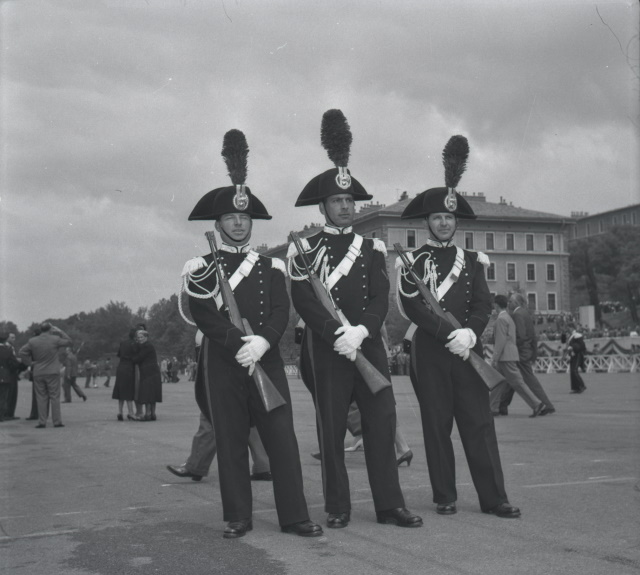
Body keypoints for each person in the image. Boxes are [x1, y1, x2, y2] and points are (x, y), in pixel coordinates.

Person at [180, 128, 321, 539]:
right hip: (225, 363)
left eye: (244, 218)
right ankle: (238, 516)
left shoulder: (271, 266)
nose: (239, 224)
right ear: (218, 223)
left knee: (282, 441)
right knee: (230, 440)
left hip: (267, 360)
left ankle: (294, 516)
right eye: (231, 218)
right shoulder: (200, 267)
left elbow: (281, 311)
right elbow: (203, 314)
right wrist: (237, 343)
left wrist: (262, 342)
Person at [288, 110, 422, 530]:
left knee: (381, 423)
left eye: (349, 201)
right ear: (323, 207)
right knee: (331, 430)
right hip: (327, 349)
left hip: (368, 346)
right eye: (337, 202)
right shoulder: (304, 249)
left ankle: (390, 505)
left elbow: (381, 296)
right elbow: (303, 300)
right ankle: (338, 506)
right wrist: (336, 334)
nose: (345, 207)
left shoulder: (371, 248)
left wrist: (362, 330)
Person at [397, 135, 520, 518]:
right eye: (437, 218)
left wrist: (470, 333)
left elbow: (483, 303)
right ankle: (444, 496)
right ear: (427, 222)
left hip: (468, 350)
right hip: (431, 352)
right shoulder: (412, 261)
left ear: (456, 222)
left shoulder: (472, 260)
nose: (444, 223)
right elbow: (412, 306)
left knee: (479, 424)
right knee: (437, 426)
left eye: (449, 218)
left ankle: (494, 498)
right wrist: (446, 334)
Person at [167, 331, 272, 482]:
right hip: (241, 366)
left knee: (210, 416)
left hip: (226, 368)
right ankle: (264, 465)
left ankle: (195, 465)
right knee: (251, 420)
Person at [498, 293, 555, 416]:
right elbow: (532, 335)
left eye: (511, 301)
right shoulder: (524, 313)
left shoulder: (517, 314)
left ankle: (546, 405)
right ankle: (502, 405)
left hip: (520, 353)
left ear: (516, 303)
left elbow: (521, 335)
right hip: (525, 351)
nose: (509, 303)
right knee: (512, 379)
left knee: (527, 380)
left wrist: (511, 344)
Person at [18, 322, 72, 428]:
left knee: (41, 397)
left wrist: (30, 363)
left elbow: (22, 352)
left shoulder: (32, 341)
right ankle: (57, 421)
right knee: (54, 397)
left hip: (38, 372)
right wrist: (60, 331)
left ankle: (42, 421)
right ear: (50, 330)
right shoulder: (55, 339)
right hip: (52, 371)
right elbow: (69, 342)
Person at [131, 329, 162, 421]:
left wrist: (130, 358)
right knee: (152, 393)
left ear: (146, 337)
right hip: (152, 371)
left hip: (148, 372)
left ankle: (148, 414)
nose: (139, 339)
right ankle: (152, 414)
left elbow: (138, 358)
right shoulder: (148, 345)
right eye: (138, 337)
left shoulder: (146, 346)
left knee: (147, 393)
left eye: (141, 337)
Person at [112, 328, 138, 421]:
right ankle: (131, 412)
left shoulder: (123, 343)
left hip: (121, 367)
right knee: (128, 391)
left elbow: (119, 354)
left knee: (121, 390)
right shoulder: (135, 344)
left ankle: (120, 412)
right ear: (135, 336)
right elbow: (136, 356)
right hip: (129, 367)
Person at [0, 332, 22, 422]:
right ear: (5, 339)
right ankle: (2, 415)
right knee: (3, 396)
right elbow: (14, 363)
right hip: (5, 375)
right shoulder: (7, 350)